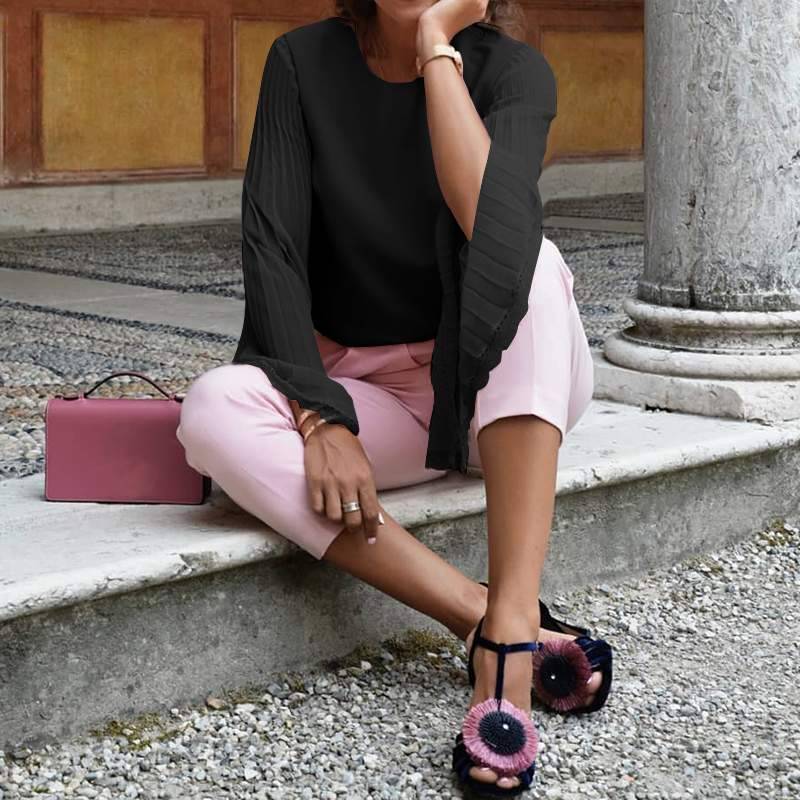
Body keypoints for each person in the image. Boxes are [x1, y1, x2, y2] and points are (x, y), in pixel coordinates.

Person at [176, 0, 612, 793]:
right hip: (370, 395)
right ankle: (483, 616)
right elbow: (272, 249)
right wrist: (318, 416)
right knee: (212, 409)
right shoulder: (301, 62)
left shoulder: (515, 73)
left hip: (498, 383)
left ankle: (510, 638)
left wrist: (436, 47)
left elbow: (495, 232)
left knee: (534, 261)